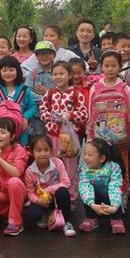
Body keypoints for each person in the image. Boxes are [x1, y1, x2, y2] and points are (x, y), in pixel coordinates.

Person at [87, 51, 130, 195]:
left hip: (121, 139)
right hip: (100, 139)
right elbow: (90, 114)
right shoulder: (95, 88)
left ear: (120, 67)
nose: (110, 69)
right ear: (101, 67)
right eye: (106, 65)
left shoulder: (125, 88)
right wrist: (89, 135)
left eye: (114, 66)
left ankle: (121, 197)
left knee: (121, 168)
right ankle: (101, 198)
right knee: (100, 168)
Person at [39, 61, 88, 202]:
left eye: (62, 73)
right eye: (55, 74)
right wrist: (52, 117)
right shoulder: (49, 94)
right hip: (52, 136)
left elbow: (84, 115)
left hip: (69, 138)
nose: (58, 77)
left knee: (70, 169)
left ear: (70, 75)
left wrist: (70, 115)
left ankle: (71, 198)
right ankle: (53, 196)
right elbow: (42, 111)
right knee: (53, 167)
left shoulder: (76, 95)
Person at [24, 135, 76, 237]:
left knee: (63, 191)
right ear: (32, 152)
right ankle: (46, 215)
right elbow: (29, 193)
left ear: (51, 151)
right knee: (33, 215)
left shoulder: (57, 163)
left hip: (55, 198)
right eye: (38, 150)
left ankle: (67, 222)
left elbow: (66, 183)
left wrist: (48, 190)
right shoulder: (30, 171)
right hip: (41, 200)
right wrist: (38, 201)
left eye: (46, 150)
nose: (43, 154)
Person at [77, 138, 125, 234]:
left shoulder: (113, 167)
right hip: (94, 201)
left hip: (111, 199)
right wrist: (92, 204)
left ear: (102, 158)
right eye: (84, 154)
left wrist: (115, 207)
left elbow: (115, 187)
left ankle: (116, 219)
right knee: (85, 192)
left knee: (114, 192)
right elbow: (84, 187)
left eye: (89, 155)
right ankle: (91, 217)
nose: (85, 157)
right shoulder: (84, 169)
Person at [0, 56, 38, 146]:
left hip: (20, 133)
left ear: (17, 71)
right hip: (0, 133)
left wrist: (26, 117)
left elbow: (33, 106)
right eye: (4, 70)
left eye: (11, 70)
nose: (8, 73)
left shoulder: (24, 90)